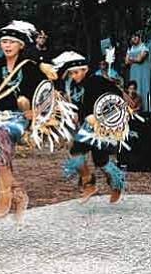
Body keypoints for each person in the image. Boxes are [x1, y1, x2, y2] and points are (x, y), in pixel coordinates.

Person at [0, 20, 47, 219]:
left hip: (18, 119)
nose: (7, 46)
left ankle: (6, 195)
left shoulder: (30, 68)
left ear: (21, 45)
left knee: (0, 135)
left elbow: (48, 94)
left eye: (12, 42)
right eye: (4, 42)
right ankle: (13, 191)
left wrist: (34, 113)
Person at [53, 51, 126, 204]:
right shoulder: (74, 86)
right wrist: (76, 114)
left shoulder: (98, 80)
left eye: (77, 72)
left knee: (90, 156)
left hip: (102, 125)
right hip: (87, 125)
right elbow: (80, 104)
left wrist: (104, 118)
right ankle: (91, 183)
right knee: (89, 156)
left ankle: (112, 184)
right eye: (71, 73)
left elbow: (117, 98)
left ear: (85, 69)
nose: (74, 75)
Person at [125, 31, 151, 111]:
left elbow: (140, 59)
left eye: (135, 36)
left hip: (143, 73)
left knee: (144, 89)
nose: (134, 38)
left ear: (139, 37)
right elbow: (126, 62)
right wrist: (134, 59)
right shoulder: (130, 48)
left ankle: (147, 111)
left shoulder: (144, 47)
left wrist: (131, 59)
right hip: (134, 73)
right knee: (134, 89)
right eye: (132, 37)